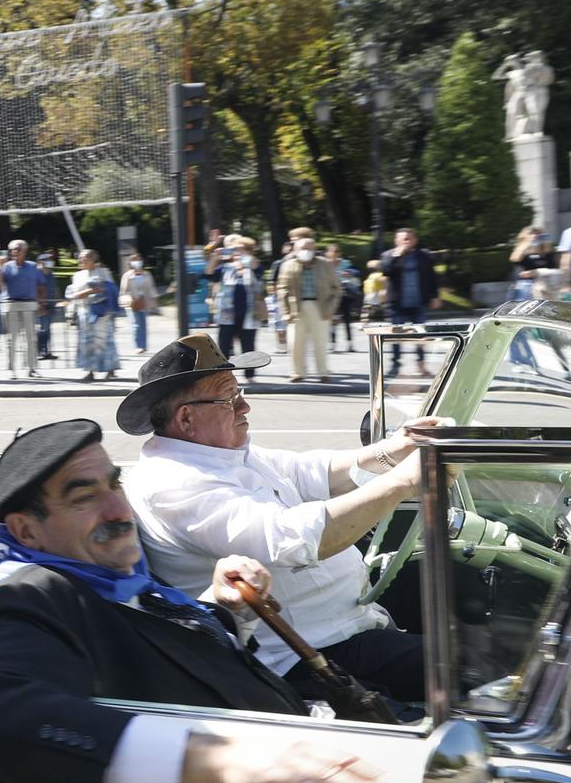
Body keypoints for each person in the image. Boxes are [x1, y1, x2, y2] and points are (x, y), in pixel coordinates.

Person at [0, 419, 402, 783]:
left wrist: (224, 608)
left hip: (315, 739)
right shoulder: (34, 596)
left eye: (114, 484)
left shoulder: (116, 582)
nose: (118, 509)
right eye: (85, 497)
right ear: (29, 531)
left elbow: (155, 654)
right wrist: (216, 760)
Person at [119, 335, 440, 704]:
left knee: (466, 646)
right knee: (469, 671)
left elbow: (310, 471)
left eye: (240, 393)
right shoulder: (173, 483)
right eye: (230, 398)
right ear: (186, 418)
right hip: (306, 658)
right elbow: (293, 539)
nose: (245, 407)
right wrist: (405, 481)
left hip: (347, 627)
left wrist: (393, 449)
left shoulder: (223, 451)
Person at [274, 229, 340, 383]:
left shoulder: (325, 265)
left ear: (315, 250)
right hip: (296, 307)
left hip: (320, 306)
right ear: (295, 250)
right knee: (295, 342)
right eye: (303, 248)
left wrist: (331, 308)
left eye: (309, 248)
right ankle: (297, 372)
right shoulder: (288, 265)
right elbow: (282, 289)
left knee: (320, 341)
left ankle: (322, 372)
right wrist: (285, 312)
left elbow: (336, 288)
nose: (306, 251)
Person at [375, 229, 440, 377]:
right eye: (404, 239)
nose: (407, 241)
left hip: (418, 303)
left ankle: (421, 365)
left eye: (410, 238)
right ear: (396, 241)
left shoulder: (423, 256)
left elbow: (432, 277)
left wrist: (435, 296)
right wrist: (396, 255)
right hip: (398, 304)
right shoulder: (388, 255)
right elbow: (385, 271)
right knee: (396, 337)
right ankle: (395, 365)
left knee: (421, 336)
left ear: (415, 240)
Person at [210, 236, 264, 380]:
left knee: (248, 345)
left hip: (248, 313)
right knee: (224, 345)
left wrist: (245, 263)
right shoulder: (225, 268)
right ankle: (222, 375)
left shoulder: (254, 265)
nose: (236, 252)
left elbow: (257, 269)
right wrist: (215, 258)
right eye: (234, 249)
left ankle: (250, 374)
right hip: (227, 313)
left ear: (248, 251)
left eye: (240, 249)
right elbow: (209, 273)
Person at [65, 249, 121, 381]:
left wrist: (95, 291)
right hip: (83, 311)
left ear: (92, 259)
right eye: (79, 258)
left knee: (103, 341)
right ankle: (90, 370)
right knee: (87, 342)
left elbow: (111, 290)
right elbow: (72, 294)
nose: (80, 260)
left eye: (84, 258)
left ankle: (110, 368)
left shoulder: (103, 272)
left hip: (101, 313)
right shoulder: (77, 276)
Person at [0, 241, 43, 378]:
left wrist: (41, 303)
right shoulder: (6, 267)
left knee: (31, 339)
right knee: (11, 339)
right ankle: (11, 369)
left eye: (18, 249)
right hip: (11, 304)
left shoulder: (32, 266)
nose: (14, 252)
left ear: (25, 250)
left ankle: (31, 368)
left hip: (29, 304)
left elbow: (41, 285)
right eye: (12, 250)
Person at [119, 251, 158, 353]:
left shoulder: (146, 274)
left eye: (138, 259)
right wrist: (130, 300)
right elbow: (124, 290)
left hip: (144, 301)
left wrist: (154, 299)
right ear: (130, 263)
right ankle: (138, 346)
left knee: (143, 324)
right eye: (133, 260)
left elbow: (151, 288)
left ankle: (144, 346)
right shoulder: (127, 275)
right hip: (132, 302)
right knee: (136, 324)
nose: (136, 262)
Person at [327, 245, 361, 351]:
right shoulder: (324, 264)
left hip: (344, 293)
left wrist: (349, 272)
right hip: (330, 294)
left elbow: (356, 271)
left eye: (337, 251)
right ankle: (332, 344)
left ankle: (350, 343)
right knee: (332, 320)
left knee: (347, 319)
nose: (335, 253)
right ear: (327, 253)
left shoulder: (345, 263)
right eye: (332, 251)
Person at [509, 227, 555, 301]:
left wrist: (536, 272)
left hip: (543, 284)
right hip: (524, 285)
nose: (535, 236)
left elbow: (552, 268)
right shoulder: (522, 251)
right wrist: (526, 243)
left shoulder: (546, 253)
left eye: (537, 234)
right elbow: (514, 259)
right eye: (531, 233)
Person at [35, 253, 59, 361]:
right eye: (47, 260)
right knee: (42, 330)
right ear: (41, 262)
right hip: (41, 305)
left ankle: (47, 351)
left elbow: (54, 287)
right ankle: (41, 352)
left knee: (47, 329)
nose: (50, 261)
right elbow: (37, 290)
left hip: (51, 304)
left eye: (50, 259)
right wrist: (41, 306)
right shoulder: (38, 274)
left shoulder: (50, 273)